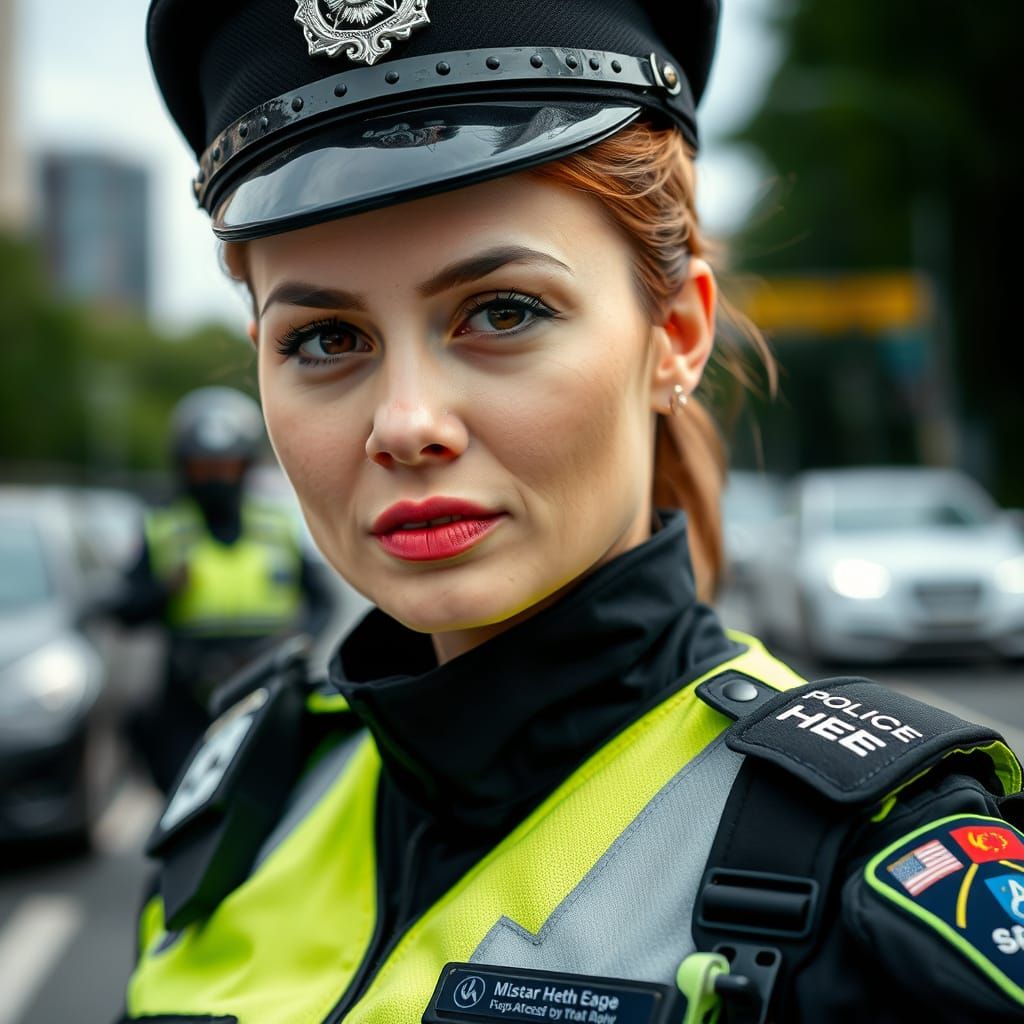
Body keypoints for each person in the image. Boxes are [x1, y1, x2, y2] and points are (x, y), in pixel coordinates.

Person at [122, 2, 1024, 1021]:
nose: (407, 423)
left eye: (503, 311)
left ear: (676, 331)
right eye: (325, 339)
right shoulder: (243, 806)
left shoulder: (874, 888)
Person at [108, 385, 336, 792]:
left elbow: (323, 600)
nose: (215, 480)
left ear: (245, 467)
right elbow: (125, 610)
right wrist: (163, 592)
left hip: (265, 693)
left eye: (226, 468)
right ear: (183, 469)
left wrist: (298, 644)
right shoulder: (164, 529)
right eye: (202, 470)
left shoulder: (276, 526)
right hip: (189, 702)